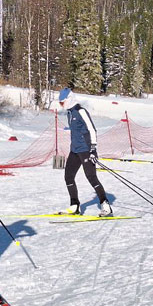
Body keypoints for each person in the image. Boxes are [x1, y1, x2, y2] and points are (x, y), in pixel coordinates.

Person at [58, 87, 112, 217]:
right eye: (60, 103)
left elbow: (92, 130)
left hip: (86, 150)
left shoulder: (80, 111)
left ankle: (105, 205)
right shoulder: (70, 113)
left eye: (62, 102)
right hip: (75, 149)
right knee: (68, 176)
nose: (61, 105)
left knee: (91, 177)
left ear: (69, 99)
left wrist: (93, 149)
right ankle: (75, 206)